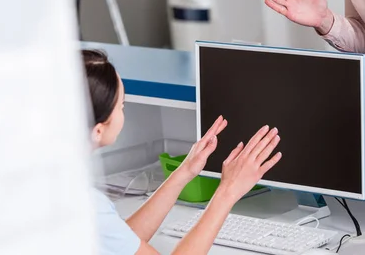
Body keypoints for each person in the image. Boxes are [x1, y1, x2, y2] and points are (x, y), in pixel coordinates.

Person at [82, 49, 282, 255]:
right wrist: (228, 191)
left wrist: (184, 171)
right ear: (98, 130)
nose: (124, 111)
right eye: (121, 106)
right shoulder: (87, 205)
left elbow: (122, 242)